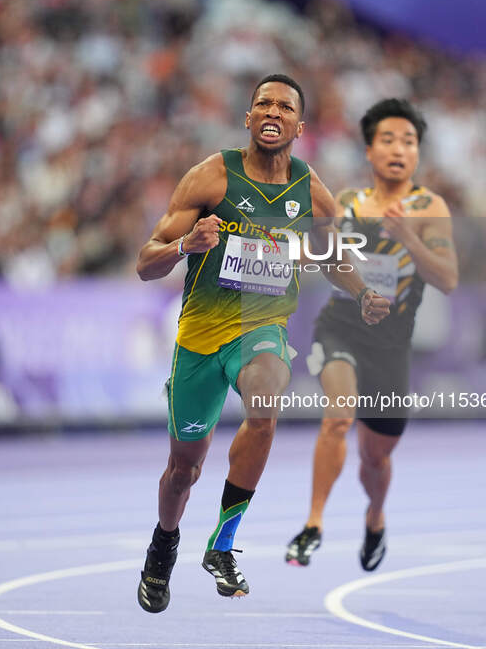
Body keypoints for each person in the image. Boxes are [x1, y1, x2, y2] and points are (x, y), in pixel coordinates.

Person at [135, 74, 390, 613]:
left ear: (300, 125)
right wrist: (186, 243)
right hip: (201, 338)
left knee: (265, 403)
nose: (272, 111)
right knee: (183, 471)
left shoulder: (309, 188)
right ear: (248, 119)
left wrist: (364, 292)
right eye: (262, 103)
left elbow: (333, 256)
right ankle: (164, 544)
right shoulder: (212, 176)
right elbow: (145, 262)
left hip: (262, 328)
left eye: (285, 106)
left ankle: (222, 544)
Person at [286, 98, 458, 572]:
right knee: (338, 417)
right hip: (341, 326)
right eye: (388, 139)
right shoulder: (349, 203)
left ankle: (376, 515)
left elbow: (446, 279)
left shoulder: (429, 208)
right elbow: (329, 256)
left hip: (392, 344)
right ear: (369, 150)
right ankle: (314, 523)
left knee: (374, 457)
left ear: (417, 153)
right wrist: (295, 252)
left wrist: (410, 239)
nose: (398, 148)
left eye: (408, 140)